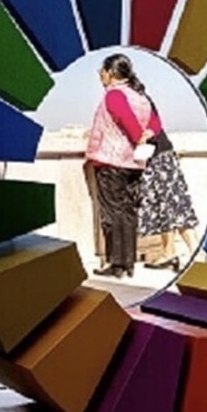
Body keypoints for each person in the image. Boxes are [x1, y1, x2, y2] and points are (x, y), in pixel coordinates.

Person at [85, 54, 152, 278]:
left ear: (111, 73)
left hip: (111, 162)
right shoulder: (141, 96)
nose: (100, 75)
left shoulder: (115, 94)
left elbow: (128, 122)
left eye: (102, 71)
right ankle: (128, 263)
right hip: (133, 163)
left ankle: (116, 265)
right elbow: (154, 123)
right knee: (128, 212)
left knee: (111, 213)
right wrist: (143, 138)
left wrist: (137, 136)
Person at [137, 103, 200, 272]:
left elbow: (154, 125)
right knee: (168, 207)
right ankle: (173, 252)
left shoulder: (135, 99)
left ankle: (192, 254)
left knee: (172, 206)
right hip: (157, 157)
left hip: (159, 157)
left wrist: (145, 135)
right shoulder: (137, 99)